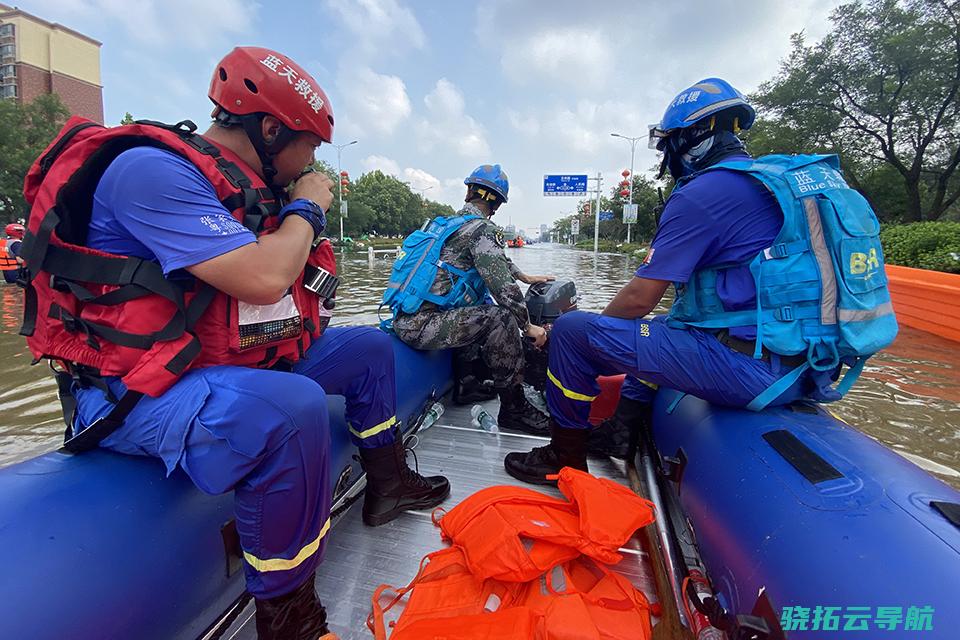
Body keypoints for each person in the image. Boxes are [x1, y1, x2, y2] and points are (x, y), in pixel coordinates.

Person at [20, 47, 448, 639]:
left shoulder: (250, 189)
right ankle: (290, 618)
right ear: (271, 130)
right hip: (130, 391)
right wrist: (310, 206)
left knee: (370, 351)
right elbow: (264, 276)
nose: (314, 163)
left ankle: (388, 483)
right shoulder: (151, 171)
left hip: (212, 361)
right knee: (293, 413)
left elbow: (285, 289)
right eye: (312, 146)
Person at [504, 77, 896, 484]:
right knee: (660, 328)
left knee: (572, 330)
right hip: (812, 367)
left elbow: (639, 299)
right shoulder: (773, 183)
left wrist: (594, 334)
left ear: (690, 137)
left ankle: (563, 457)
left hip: (753, 371)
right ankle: (620, 434)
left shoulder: (703, 192)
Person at [384, 164, 556, 434]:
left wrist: (523, 275)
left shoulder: (451, 225)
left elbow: (491, 261)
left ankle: (467, 384)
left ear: (468, 192)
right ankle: (514, 409)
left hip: (409, 318)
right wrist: (528, 326)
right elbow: (504, 290)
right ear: (497, 204)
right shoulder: (482, 230)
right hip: (423, 324)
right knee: (499, 317)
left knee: (478, 304)